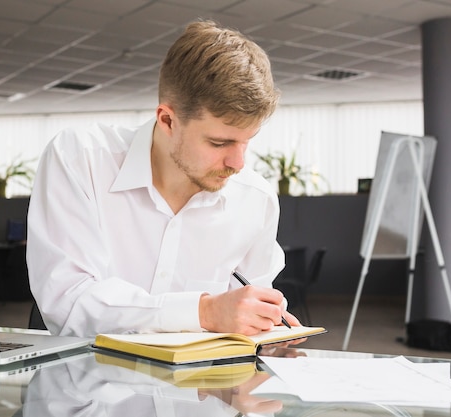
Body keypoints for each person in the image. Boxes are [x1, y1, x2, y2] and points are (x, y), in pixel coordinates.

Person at [26, 19, 300, 337]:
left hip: (196, 386)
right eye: (219, 143)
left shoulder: (256, 199)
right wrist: (203, 312)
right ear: (167, 120)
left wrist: (262, 325)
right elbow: (68, 301)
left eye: (246, 141)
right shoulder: (80, 158)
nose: (238, 162)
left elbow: (243, 327)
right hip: (82, 377)